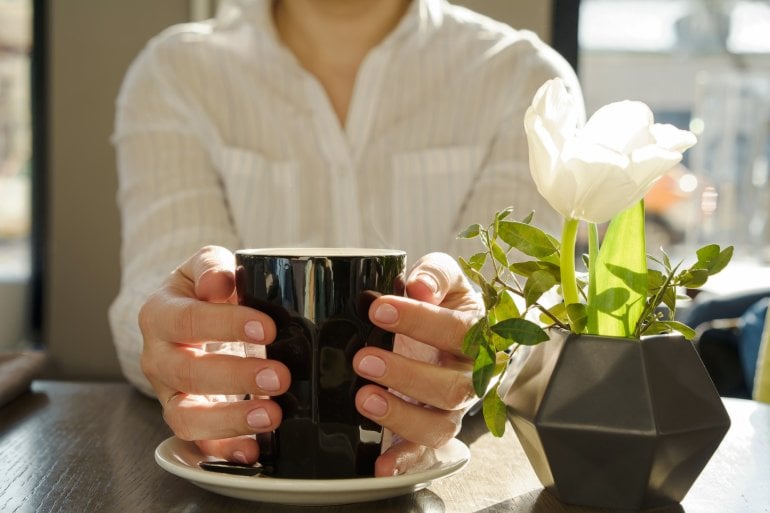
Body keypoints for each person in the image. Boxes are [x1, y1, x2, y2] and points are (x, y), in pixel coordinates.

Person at [109, 0, 583, 476]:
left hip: (448, 470)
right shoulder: (176, 73)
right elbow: (153, 296)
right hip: (251, 460)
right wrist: (175, 334)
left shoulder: (523, 77)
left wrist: (474, 353)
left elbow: (522, 315)